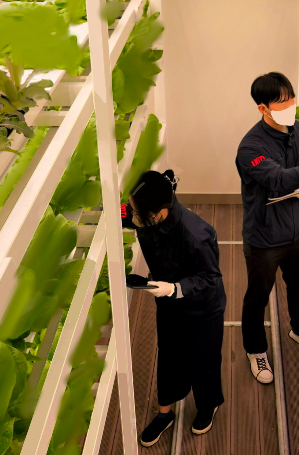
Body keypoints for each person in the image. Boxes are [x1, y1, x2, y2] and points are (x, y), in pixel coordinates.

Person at [235, 72, 299, 384]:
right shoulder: (250, 147)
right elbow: (278, 179)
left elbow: (298, 173)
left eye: (291, 98)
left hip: (296, 229)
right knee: (258, 296)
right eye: (281, 102)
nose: (289, 106)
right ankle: (256, 351)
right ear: (263, 109)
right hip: (265, 237)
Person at [120, 169, 227, 447]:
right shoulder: (146, 217)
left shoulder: (195, 233)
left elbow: (210, 278)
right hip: (168, 304)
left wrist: (175, 288)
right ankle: (164, 412)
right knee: (169, 356)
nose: (132, 215)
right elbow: (125, 215)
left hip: (203, 308)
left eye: (136, 211)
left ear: (159, 212)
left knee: (204, 358)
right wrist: (106, 206)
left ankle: (207, 405)